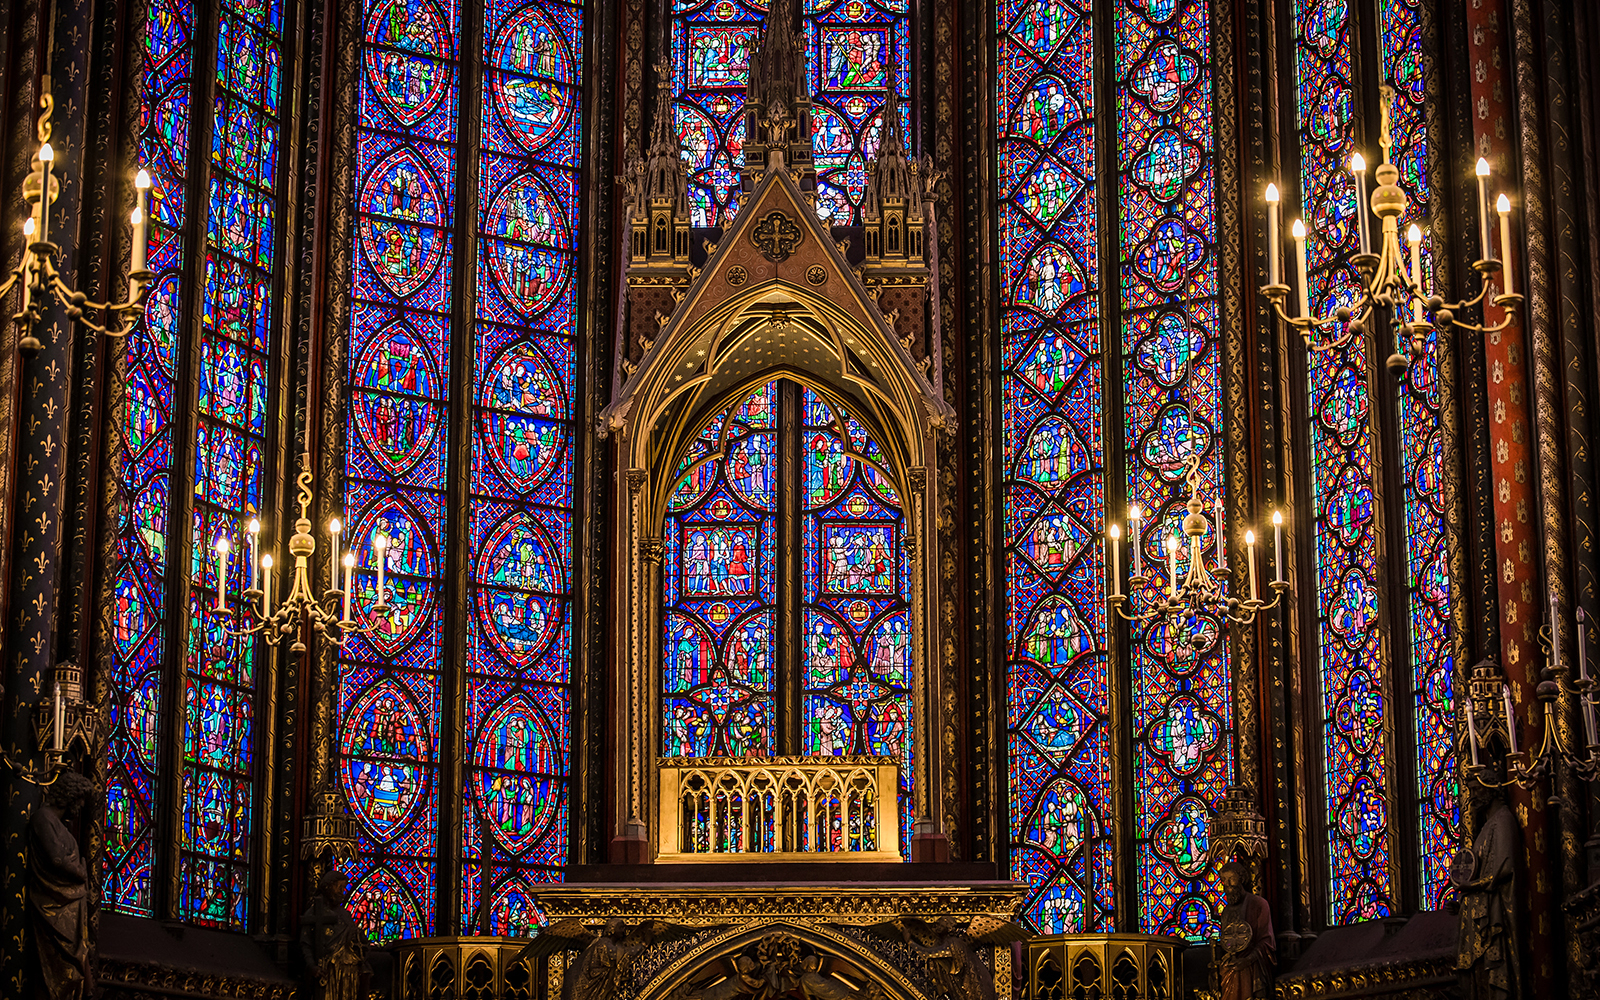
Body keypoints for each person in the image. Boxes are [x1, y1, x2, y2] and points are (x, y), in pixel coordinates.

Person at [28, 771, 99, 1000]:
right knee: (60, 963)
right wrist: (80, 870)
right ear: (69, 796)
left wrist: (78, 869)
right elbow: (57, 859)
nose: (78, 808)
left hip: (72, 907)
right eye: (78, 800)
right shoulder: (43, 819)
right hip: (53, 906)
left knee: (79, 956)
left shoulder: (63, 829)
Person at [300, 870, 372, 1000]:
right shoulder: (314, 912)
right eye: (338, 887)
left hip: (349, 971)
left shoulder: (345, 915)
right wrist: (312, 966)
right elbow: (306, 943)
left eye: (343, 888)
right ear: (327, 887)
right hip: (329, 971)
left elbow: (356, 942)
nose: (341, 892)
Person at [1215, 862, 1274, 1000]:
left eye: (1231, 878)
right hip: (1232, 964)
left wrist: (1248, 959)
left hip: (1253, 963)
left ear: (1241, 879)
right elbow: (1227, 941)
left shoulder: (1259, 904)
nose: (1227, 884)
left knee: (1240, 972)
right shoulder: (1226, 911)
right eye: (1224, 880)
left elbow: (1267, 941)